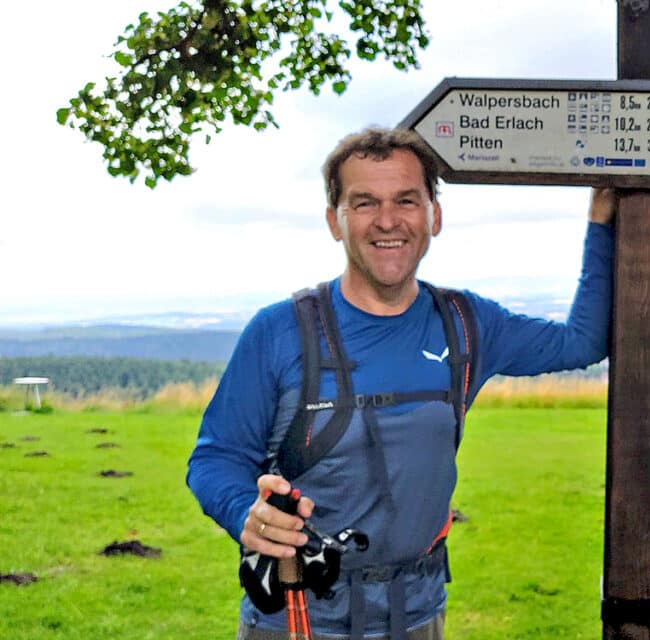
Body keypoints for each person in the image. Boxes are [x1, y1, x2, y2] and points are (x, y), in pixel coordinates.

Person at [187, 126, 616, 640]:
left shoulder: (465, 322)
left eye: (406, 200)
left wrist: (601, 218)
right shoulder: (279, 331)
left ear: (434, 215)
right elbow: (215, 459)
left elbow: (582, 343)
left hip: (417, 616)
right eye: (364, 202)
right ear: (334, 221)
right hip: (297, 619)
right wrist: (246, 515)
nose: (387, 220)